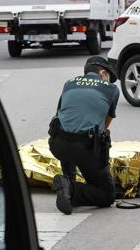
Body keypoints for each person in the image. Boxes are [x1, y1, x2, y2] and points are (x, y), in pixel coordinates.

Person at [49, 57, 120, 215]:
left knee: (68, 134)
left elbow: (62, 115)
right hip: (86, 149)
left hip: (57, 143)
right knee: (107, 196)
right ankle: (70, 186)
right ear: (103, 73)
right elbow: (104, 126)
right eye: (108, 75)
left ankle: (67, 183)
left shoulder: (69, 84)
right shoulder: (111, 89)